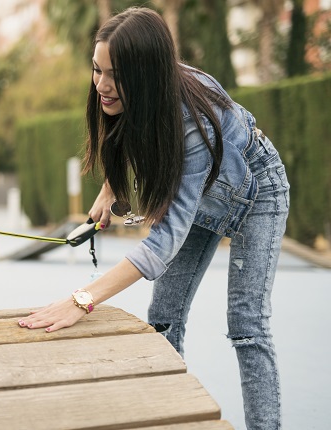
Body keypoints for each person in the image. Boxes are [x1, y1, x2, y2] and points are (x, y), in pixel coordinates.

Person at [18, 7, 289, 430]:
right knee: (163, 316)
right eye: (97, 69)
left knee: (247, 325)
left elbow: (161, 244)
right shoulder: (132, 91)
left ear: (145, 74)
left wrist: (81, 301)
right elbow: (121, 132)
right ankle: (168, 418)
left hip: (257, 194)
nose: (103, 85)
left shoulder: (192, 124)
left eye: (116, 75)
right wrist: (111, 189)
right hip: (203, 196)